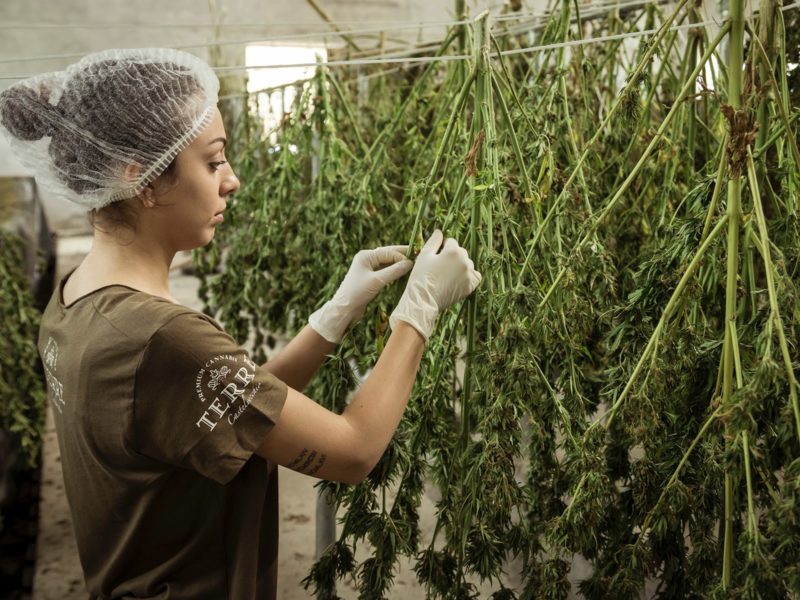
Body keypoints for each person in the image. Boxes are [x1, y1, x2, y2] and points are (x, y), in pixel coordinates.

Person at [0, 48, 481, 599]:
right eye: (213, 161)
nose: (233, 181)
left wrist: (333, 316)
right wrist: (417, 311)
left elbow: (230, 413)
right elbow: (353, 451)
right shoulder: (162, 339)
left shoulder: (75, 300)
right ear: (145, 181)